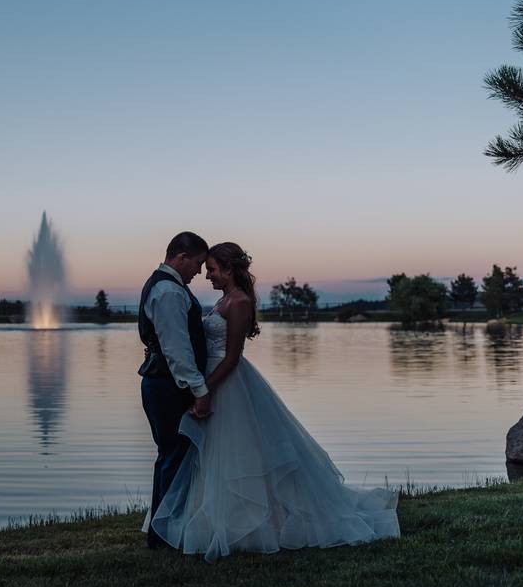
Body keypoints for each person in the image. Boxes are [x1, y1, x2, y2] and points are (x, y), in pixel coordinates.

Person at [145, 242, 400, 560]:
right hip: (212, 382)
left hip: (227, 384)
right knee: (213, 456)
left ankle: (253, 523)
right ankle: (214, 521)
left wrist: (204, 390)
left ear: (227, 269)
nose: (206, 275)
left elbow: (233, 357)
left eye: (211, 269)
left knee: (237, 454)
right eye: (205, 268)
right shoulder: (223, 299)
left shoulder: (237, 302)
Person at [138, 231, 211, 549]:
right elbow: (177, 350)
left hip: (164, 383)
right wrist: (200, 390)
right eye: (197, 264)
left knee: (170, 456)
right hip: (169, 385)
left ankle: (162, 533)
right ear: (181, 257)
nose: (199, 272)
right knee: (173, 458)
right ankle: (164, 536)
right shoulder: (168, 290)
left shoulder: (163, 285)